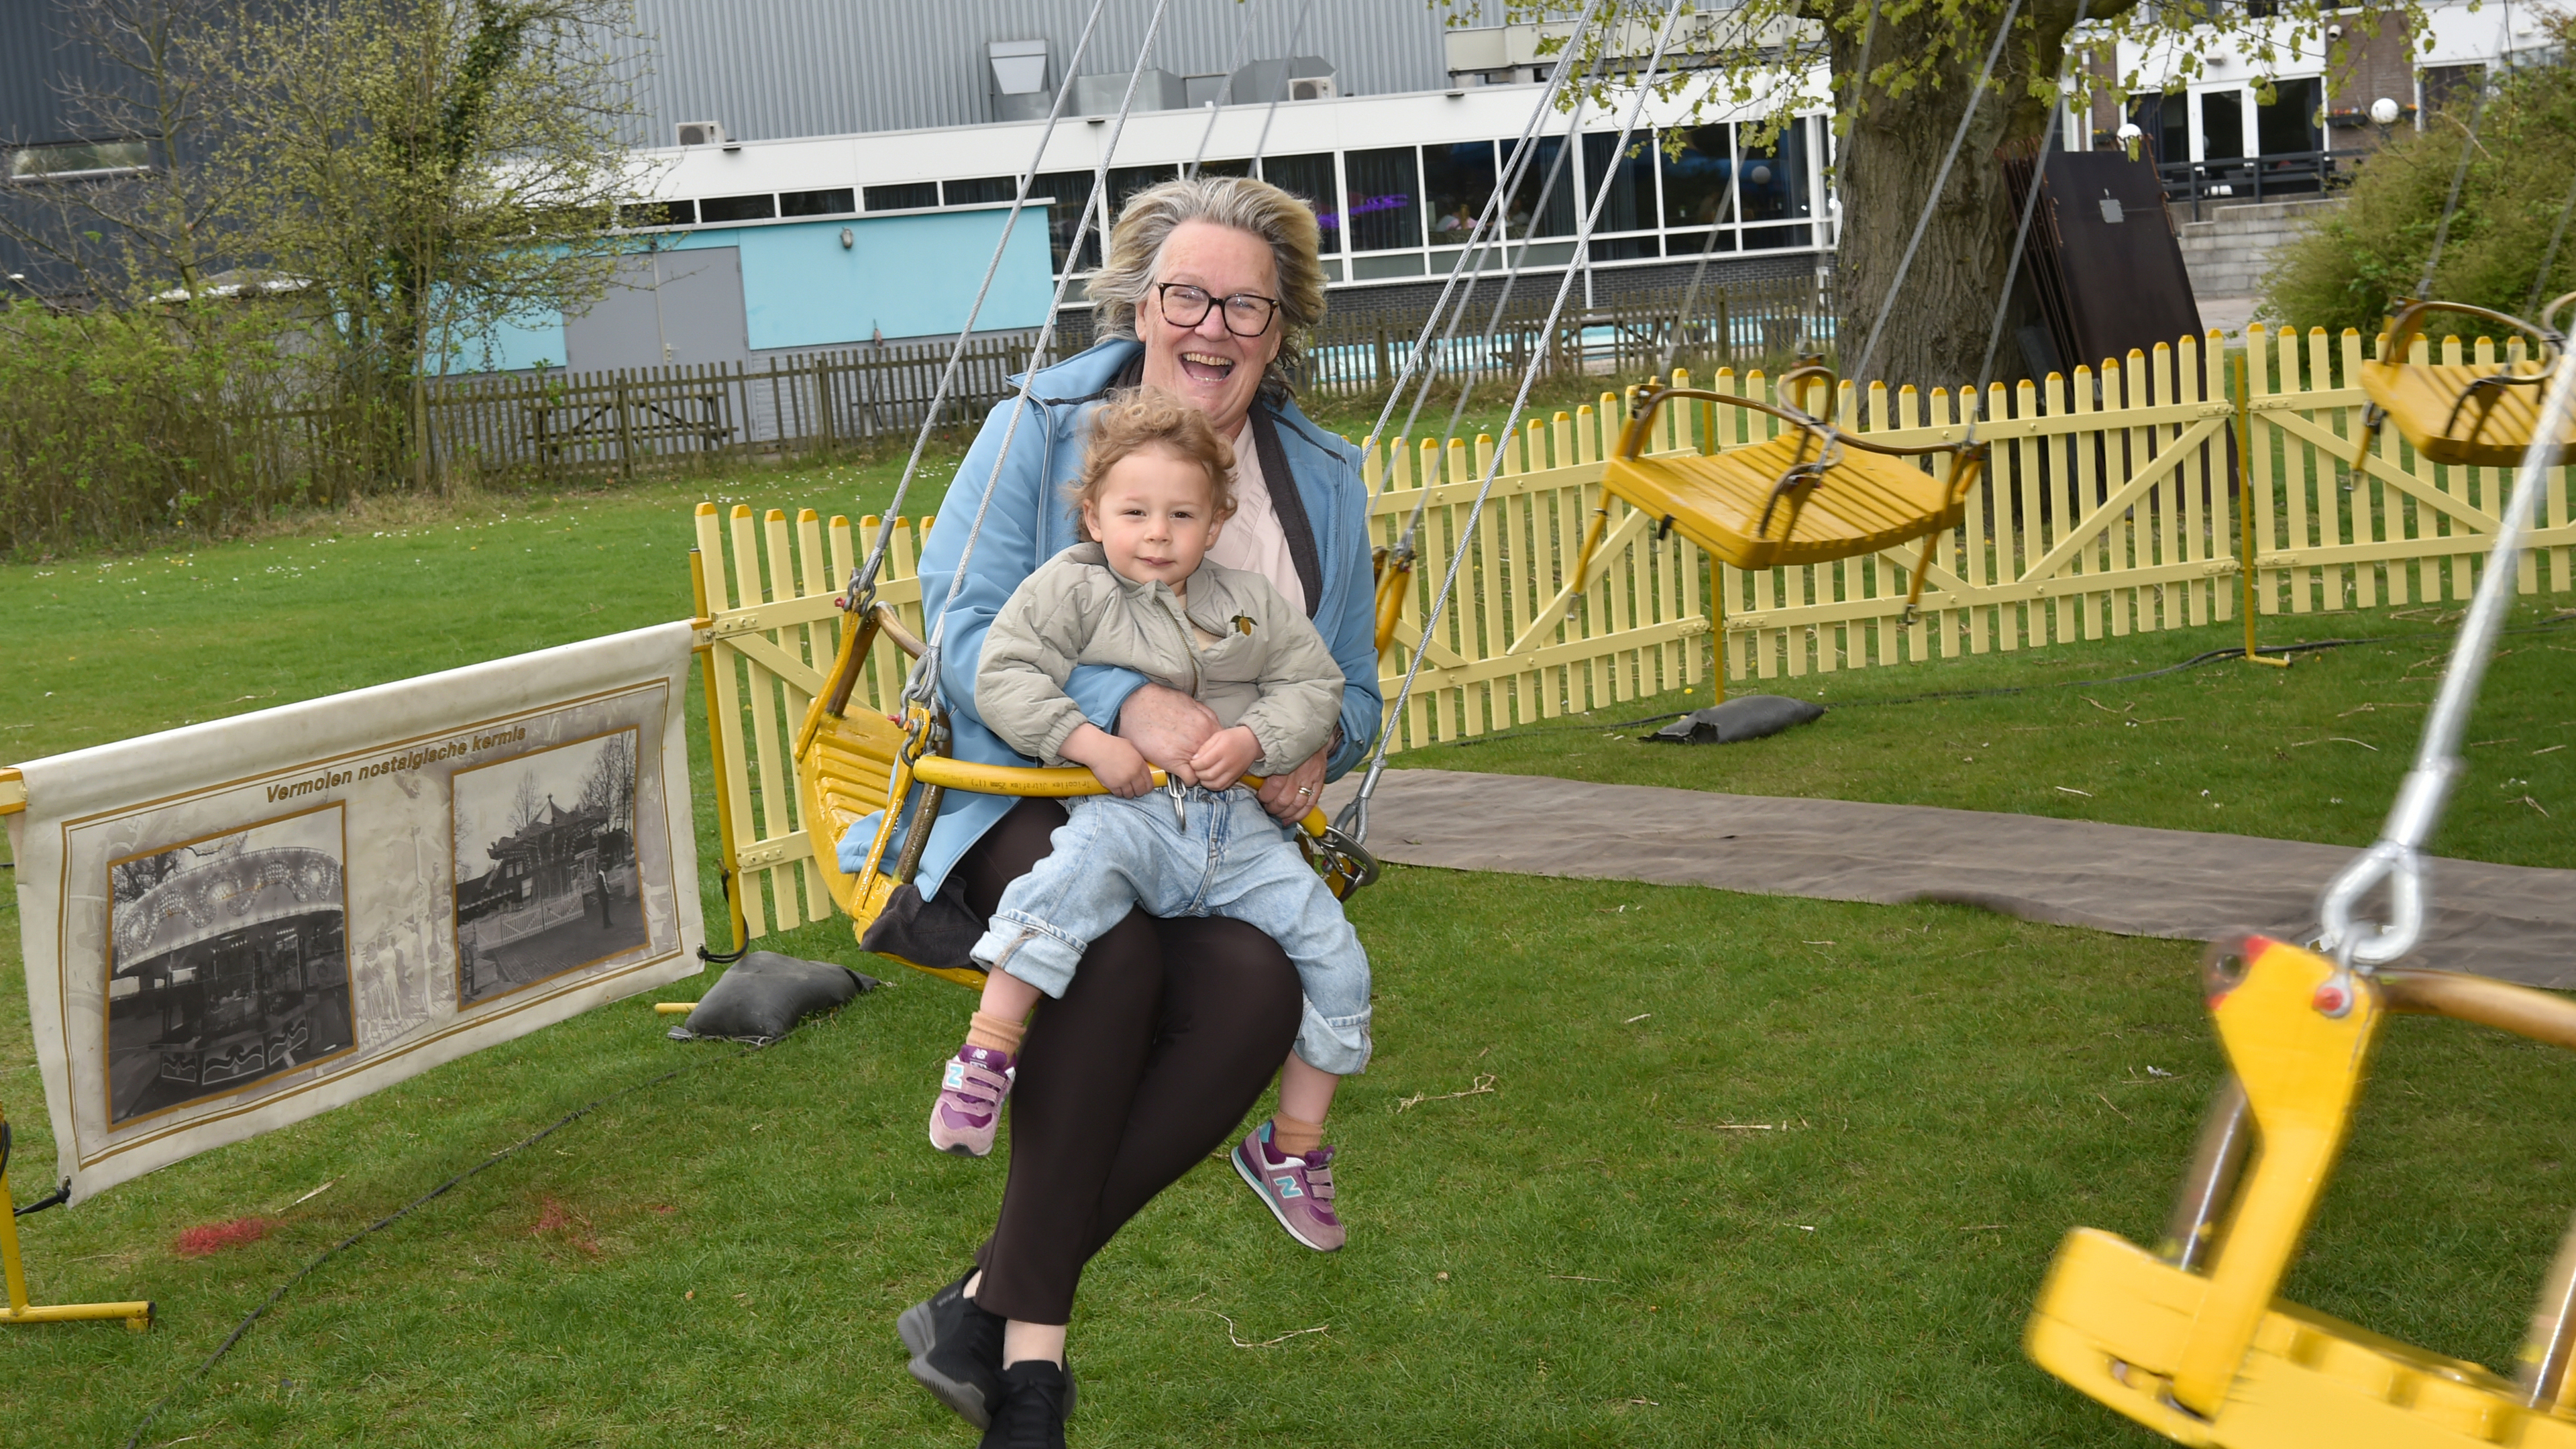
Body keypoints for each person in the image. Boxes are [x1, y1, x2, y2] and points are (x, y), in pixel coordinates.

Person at [854, 175, 1381, 1448]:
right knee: (1111, 952)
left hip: (1209, 833)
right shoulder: (1038, 427)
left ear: (1280, 329)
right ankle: (1034, 1369)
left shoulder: (1320, 478)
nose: (1213, 327)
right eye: (1186, 296)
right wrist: (1125, 703)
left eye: (1246, 307)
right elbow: (965, 633)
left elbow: (1353, 688)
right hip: (1028, 788)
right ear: (1140, 306)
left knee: (1259, 989)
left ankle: (983, 1304)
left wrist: (1309, 745)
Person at [926, 388, 1373, 1216]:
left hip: (1241, 838)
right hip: (1128, 817)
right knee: (1061, 888)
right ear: (1094, 517)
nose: (1159, 534)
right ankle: (985, 1057)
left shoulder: (1247, 603)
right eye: (1135, 513)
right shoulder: (1070, 589)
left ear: (1216, 522)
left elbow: (1317, 683)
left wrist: (1257, 740)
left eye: (1182, 515)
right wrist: (1087, 739)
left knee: (1336, 956)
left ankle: (1291, 1146)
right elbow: (1003, 671)